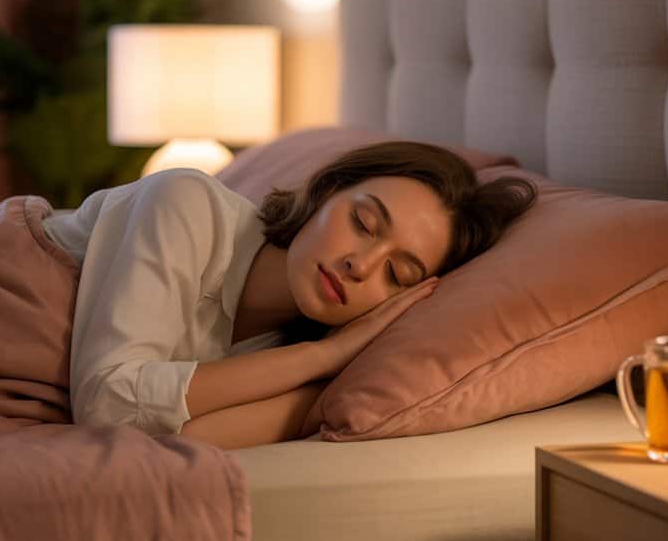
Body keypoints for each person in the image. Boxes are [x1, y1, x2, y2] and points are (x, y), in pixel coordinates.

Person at [46, 141, 537, 450]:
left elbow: (167, 441)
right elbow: (107, 406)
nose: (360, 265)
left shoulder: (293, 362)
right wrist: (319, 357)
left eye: (397, 273)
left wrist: (321, 372)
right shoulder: (185, 202)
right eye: (363, 223)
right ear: (326, 192)